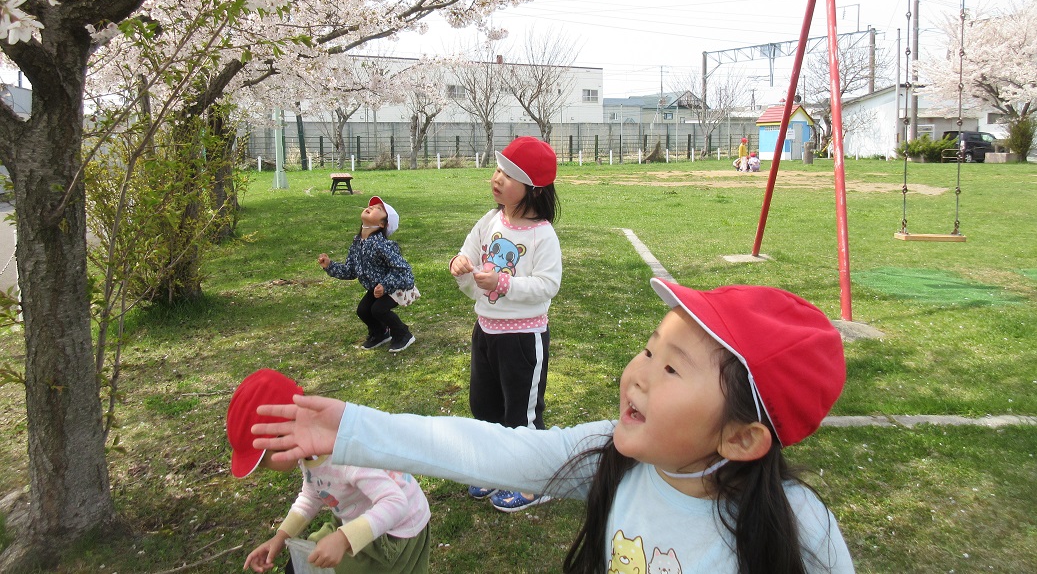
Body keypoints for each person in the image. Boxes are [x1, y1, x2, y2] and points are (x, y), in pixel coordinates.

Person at [252, 278, 854, 574]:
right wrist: (355, 427)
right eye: (648, 351)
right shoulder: (610, 458)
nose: (638, 375)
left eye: (671, 367)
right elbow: (485, 448)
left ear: (741, 437)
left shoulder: (801, 530)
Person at [448, 136, 561, 512]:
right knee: (484, 405)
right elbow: (468, 252)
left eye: (509, 175)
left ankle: (533, 481)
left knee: (522, 413)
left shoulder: (542, 234)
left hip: (523, 339)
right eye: (498, 169)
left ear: (532, 189)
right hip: (486, 332)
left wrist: (504, 283)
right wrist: (460, 265)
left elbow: (548, 284)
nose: (497, 178)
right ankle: (496, 468)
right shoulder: (490, 220)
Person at [226, 369, 431, 574]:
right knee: (301, 567)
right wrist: (280, 537)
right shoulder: (307, 447)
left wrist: (343, 539)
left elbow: (395, 503)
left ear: (282, 435)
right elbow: (313, 492)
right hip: (358, 514)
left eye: (262, 460)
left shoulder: (345, 456)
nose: (263, 468)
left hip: (394, 530)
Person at [319, 196, 419, 353]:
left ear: (381, 224)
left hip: (397, 286)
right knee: (363, 310)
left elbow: (403, 269)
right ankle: (380, 333)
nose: (372, 208)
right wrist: (330, 266)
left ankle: (403, 334)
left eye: (378, 209)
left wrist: (386, 286)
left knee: (378, 310)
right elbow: (351, 270)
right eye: (372, 206)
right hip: (376, 288)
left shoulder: (382, 245)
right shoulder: (358, 242)